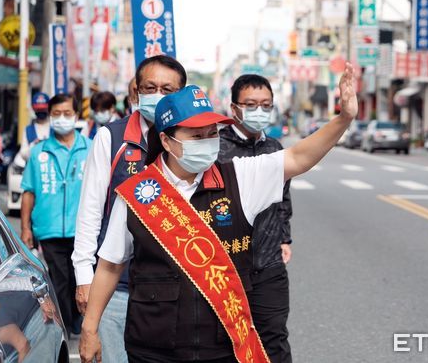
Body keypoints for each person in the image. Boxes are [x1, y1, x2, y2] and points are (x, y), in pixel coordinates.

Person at [79, 62, 357, 363]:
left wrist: (343, 119)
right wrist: (90, 328)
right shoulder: (140, 193)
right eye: (196, 136)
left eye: (212, 134)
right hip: (154, 345)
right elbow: (110, 265)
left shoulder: (239, 177)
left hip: (223, 345)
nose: (208, 143)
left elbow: (299, 157)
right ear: (166, 140)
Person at [72, 56, 187, 363]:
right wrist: (85, 275)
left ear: (181, 93)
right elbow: (90, 212)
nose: (158, 95)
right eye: (151, 87)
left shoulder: (194, 141)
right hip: (117, 287)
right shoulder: (112, 137)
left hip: (177, 287)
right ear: (136, 92)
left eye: (168, 89)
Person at [218, 74, 292, 363]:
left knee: (274, 338)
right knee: (226, 341)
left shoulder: (275, 148)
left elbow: (283, 198)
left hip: (269, 266)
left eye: (265, 105)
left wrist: (285, 237)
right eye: (250, 104)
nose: (258, 111)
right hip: (226, 267)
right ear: (234, 107)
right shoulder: (215, 148)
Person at [20, 94, 91, 336]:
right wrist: (26, 228)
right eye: (57, 114)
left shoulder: (90, 148)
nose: (62, 119)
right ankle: (68, 325)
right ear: (50, 117)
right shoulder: (38, 152)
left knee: (78, 277)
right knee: (59, 279)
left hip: (83, 228)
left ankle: (78, 321)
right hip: (48, 229)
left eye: (67, 113)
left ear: (77, 115)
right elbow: (28, 191)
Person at [19, 92, 51, 161]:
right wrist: (33, 145)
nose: (41, 111)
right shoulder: (28, 130)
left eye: (43, 109)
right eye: (39, 109)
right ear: (34, 109)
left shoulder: (55, 128)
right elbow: (23, 154)